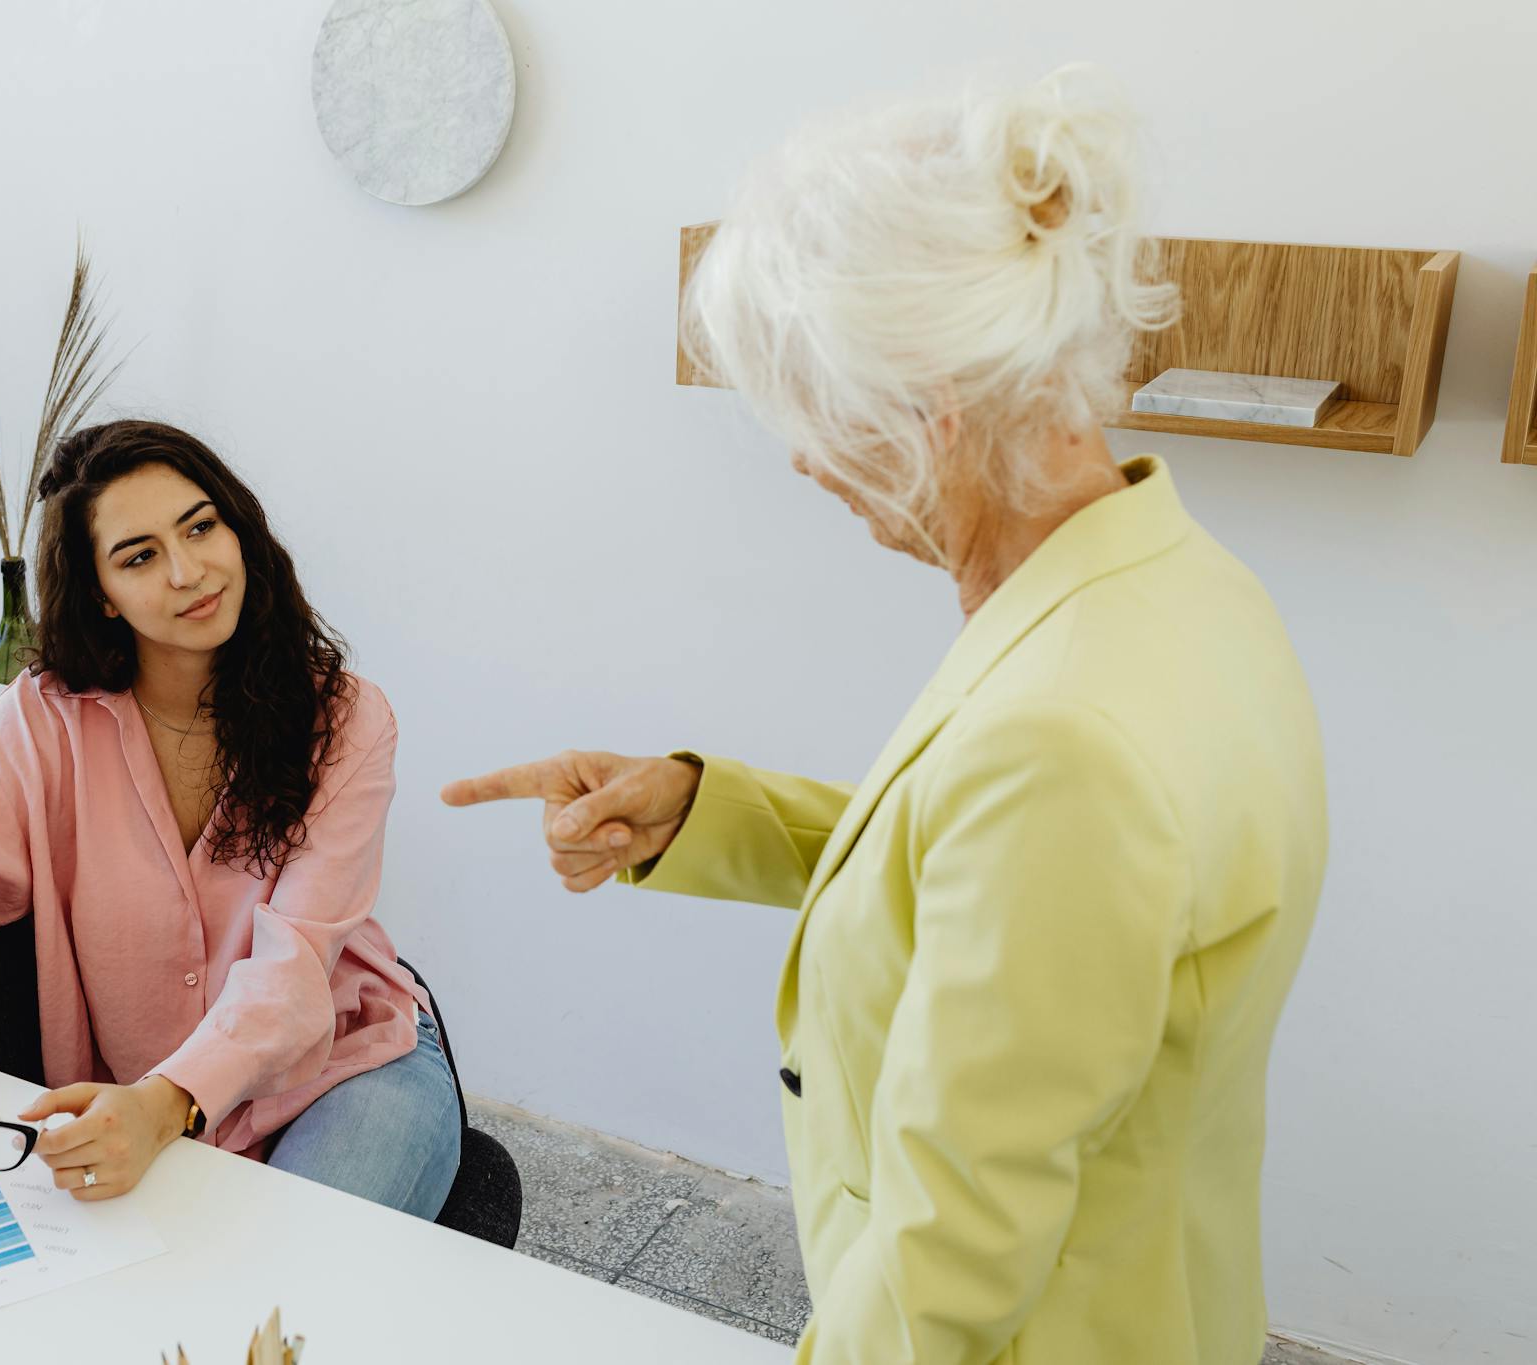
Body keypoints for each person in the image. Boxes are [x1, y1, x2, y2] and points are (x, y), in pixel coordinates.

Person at [445, 68, 1326, 1363]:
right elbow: (991, 877)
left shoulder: (1064, 740)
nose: (805, 461)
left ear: (932, 412)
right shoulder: (1174, 583)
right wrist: (703, 807)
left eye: (809, 414)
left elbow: (948, 1261)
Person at [0, 419, 461, 1219]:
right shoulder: (39, 726)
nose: (189, 572)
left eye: (200, 527)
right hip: (132, 1100)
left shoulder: (346, 720)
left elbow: (292, 977)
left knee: (291, 1305)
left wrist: (165, 1103)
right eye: (139, 556)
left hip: (343, 1066)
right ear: (100, 593)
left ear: (238, 528)